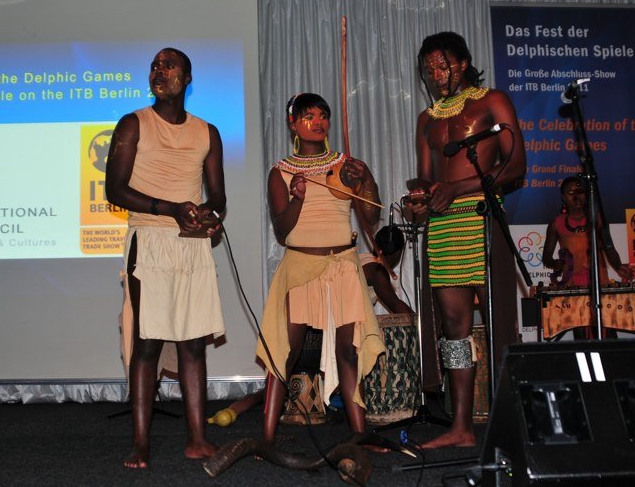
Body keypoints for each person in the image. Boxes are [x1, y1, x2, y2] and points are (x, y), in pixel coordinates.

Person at [105, 47, 226, 469]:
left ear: (187, 78)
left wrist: (208, 216)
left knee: (193, 343)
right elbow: (114, 189)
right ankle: (140, 443)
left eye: (169, 65)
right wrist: (169, 208)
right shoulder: (133, 123)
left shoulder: (207, 132)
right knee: (147, 343)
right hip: (150, 239)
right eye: (155, 65)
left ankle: (198, 439)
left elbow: (218, 195)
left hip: (190, 243)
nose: (160, 71)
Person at [407, 32, 526, 448]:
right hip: (443, 226)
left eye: (443, 66)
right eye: (429, 70)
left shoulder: (492, 101)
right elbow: (427, 178)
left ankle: (514, 423)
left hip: (481, 218)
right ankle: (461, 427)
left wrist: (457, 188)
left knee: (498, 323)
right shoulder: (426, 119)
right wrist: (418, 200)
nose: (436, 76)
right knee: (454, 330)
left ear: (463, 63)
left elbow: (515, 166)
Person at [255, 92, 386, 448]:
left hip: (343, 265)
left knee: (348, 351)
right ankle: (266, 439)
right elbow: (282, 230)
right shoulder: (280, 172)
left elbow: (371, 215)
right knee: (284, 351)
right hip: (301, 265)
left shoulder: (348, 165)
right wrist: (297, 197)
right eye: (308, 116)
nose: (318, 122)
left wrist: (366, 180)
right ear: (293, 124)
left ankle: (359, 434)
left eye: (323, 115)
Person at [208, 226, 410, 426]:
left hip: (316, 329)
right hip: (320, 335)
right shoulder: (375, 270)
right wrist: (418, 323)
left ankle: (235, 410)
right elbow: (396, 306)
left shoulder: (359, 259)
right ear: (398, 253)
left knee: (282, 377)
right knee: (346, 365)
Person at [542, 176, 632, 338]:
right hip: (574, 286)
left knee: (607, 329)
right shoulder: (556, 224)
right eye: (571, 193)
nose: (576, 197)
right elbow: (546, 256)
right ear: (563, 197)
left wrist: (619, 267)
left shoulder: (598, 220)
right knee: (581, 332)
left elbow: (609, 248)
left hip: (598, 282)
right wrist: (555, 264)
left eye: (580, 192)